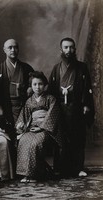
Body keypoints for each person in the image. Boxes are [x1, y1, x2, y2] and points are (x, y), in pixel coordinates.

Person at [48, 37, 95, 177]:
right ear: (61, 49)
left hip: (76, 107)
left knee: (78, 138)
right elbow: (51, 90)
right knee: (61, 138)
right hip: (61, 108)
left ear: (75, 49)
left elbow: (87, 88)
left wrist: (86, 104)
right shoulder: (56, 68)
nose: (69, 50)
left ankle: (78, 167)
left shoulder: (82, 67)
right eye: (66, 47)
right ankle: (59, 168)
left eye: (71, 47)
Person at [0, 39, 34, 174]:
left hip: (23, 106)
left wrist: (30, 88)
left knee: (23, 136)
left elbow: (35, 81)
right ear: (4, 50)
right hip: (6, 107)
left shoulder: (26, 68)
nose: (13, 50)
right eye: (10, 47)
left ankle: (24, 168)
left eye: (15, 47)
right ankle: (11, 169)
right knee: (9, 137)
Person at [16, 71, 62, 183]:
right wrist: (21, 125)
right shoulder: (29, 101)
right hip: (32, 128)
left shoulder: (51, 99)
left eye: (40, 84)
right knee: (23, 140)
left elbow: (53, 115)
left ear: (45, 85)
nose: (37, 87)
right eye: (34, 84)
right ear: (31, 86)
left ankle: (34, 175)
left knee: (36, 143)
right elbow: (24, 117)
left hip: (46, 130)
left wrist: (41, 127)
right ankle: (26, 174)